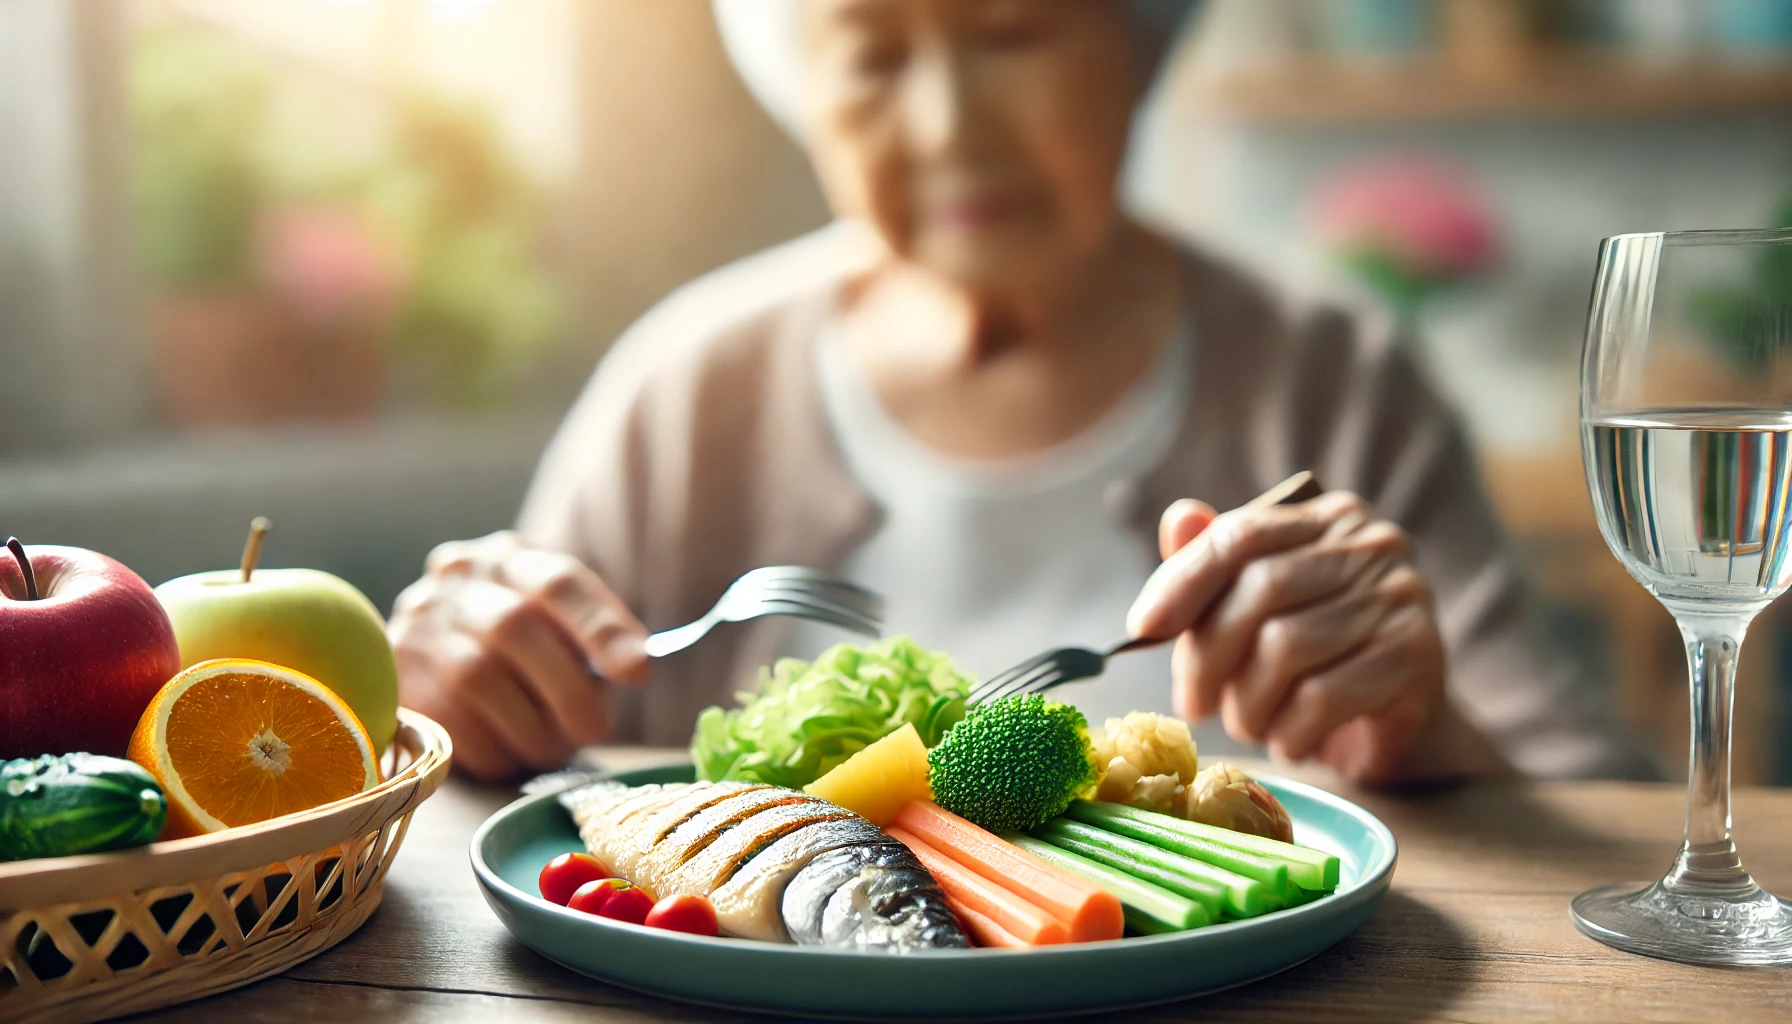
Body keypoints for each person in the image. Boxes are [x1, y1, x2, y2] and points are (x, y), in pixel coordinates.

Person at [388, 0, 1648, 784]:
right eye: (872, 55)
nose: (946, 127)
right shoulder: (688, 386)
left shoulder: (1331, 373)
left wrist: (1430, 737)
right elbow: (503, 771)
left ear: (1135, 42)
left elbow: (1599, 805)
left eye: (1012, 33)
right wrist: (450, 707)